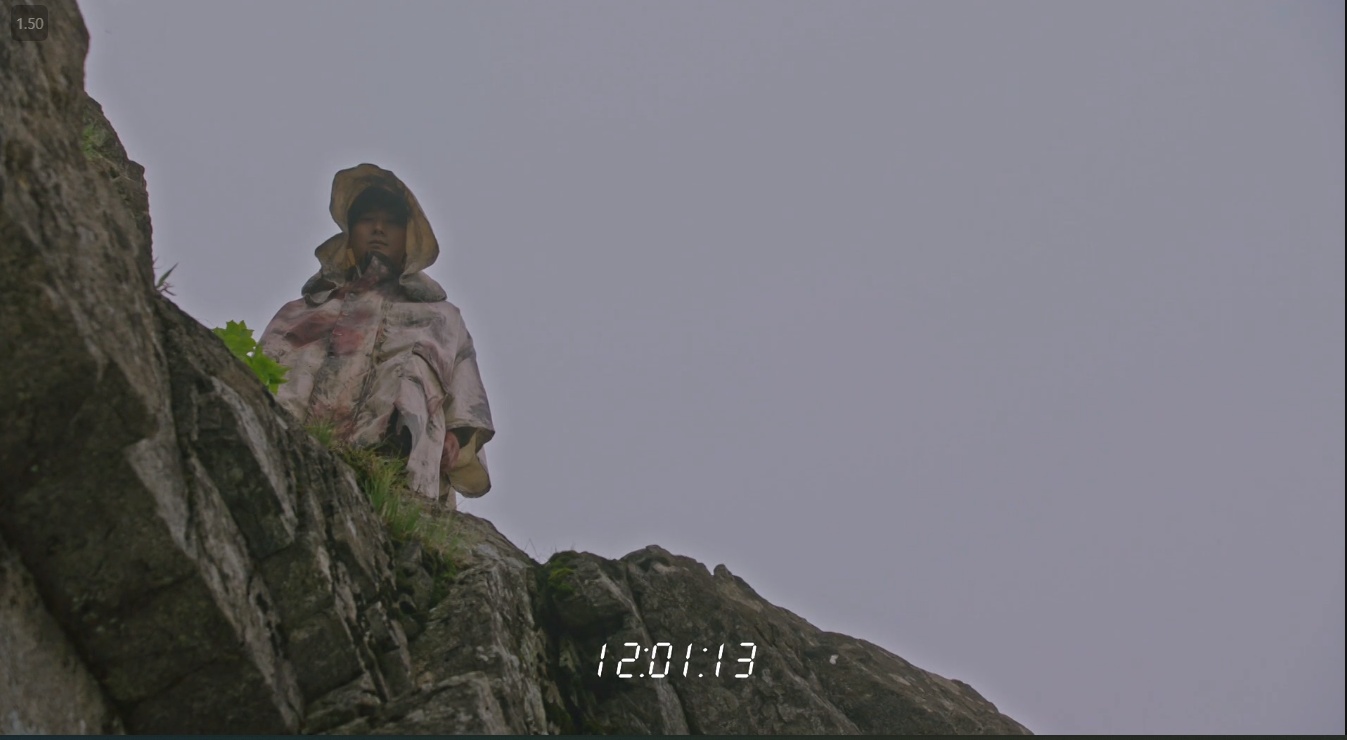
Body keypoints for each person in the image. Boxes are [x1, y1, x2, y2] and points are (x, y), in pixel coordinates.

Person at [259, 163, 494, 509]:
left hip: (401, 481)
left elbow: (465, 399)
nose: (379, 228)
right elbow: (258, 382)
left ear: (409, 235)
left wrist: (456, 439)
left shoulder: (440, 317)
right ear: (350, 232)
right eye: (367, 219)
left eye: (392, 221)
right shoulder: (301, 311)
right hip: (293, 462)